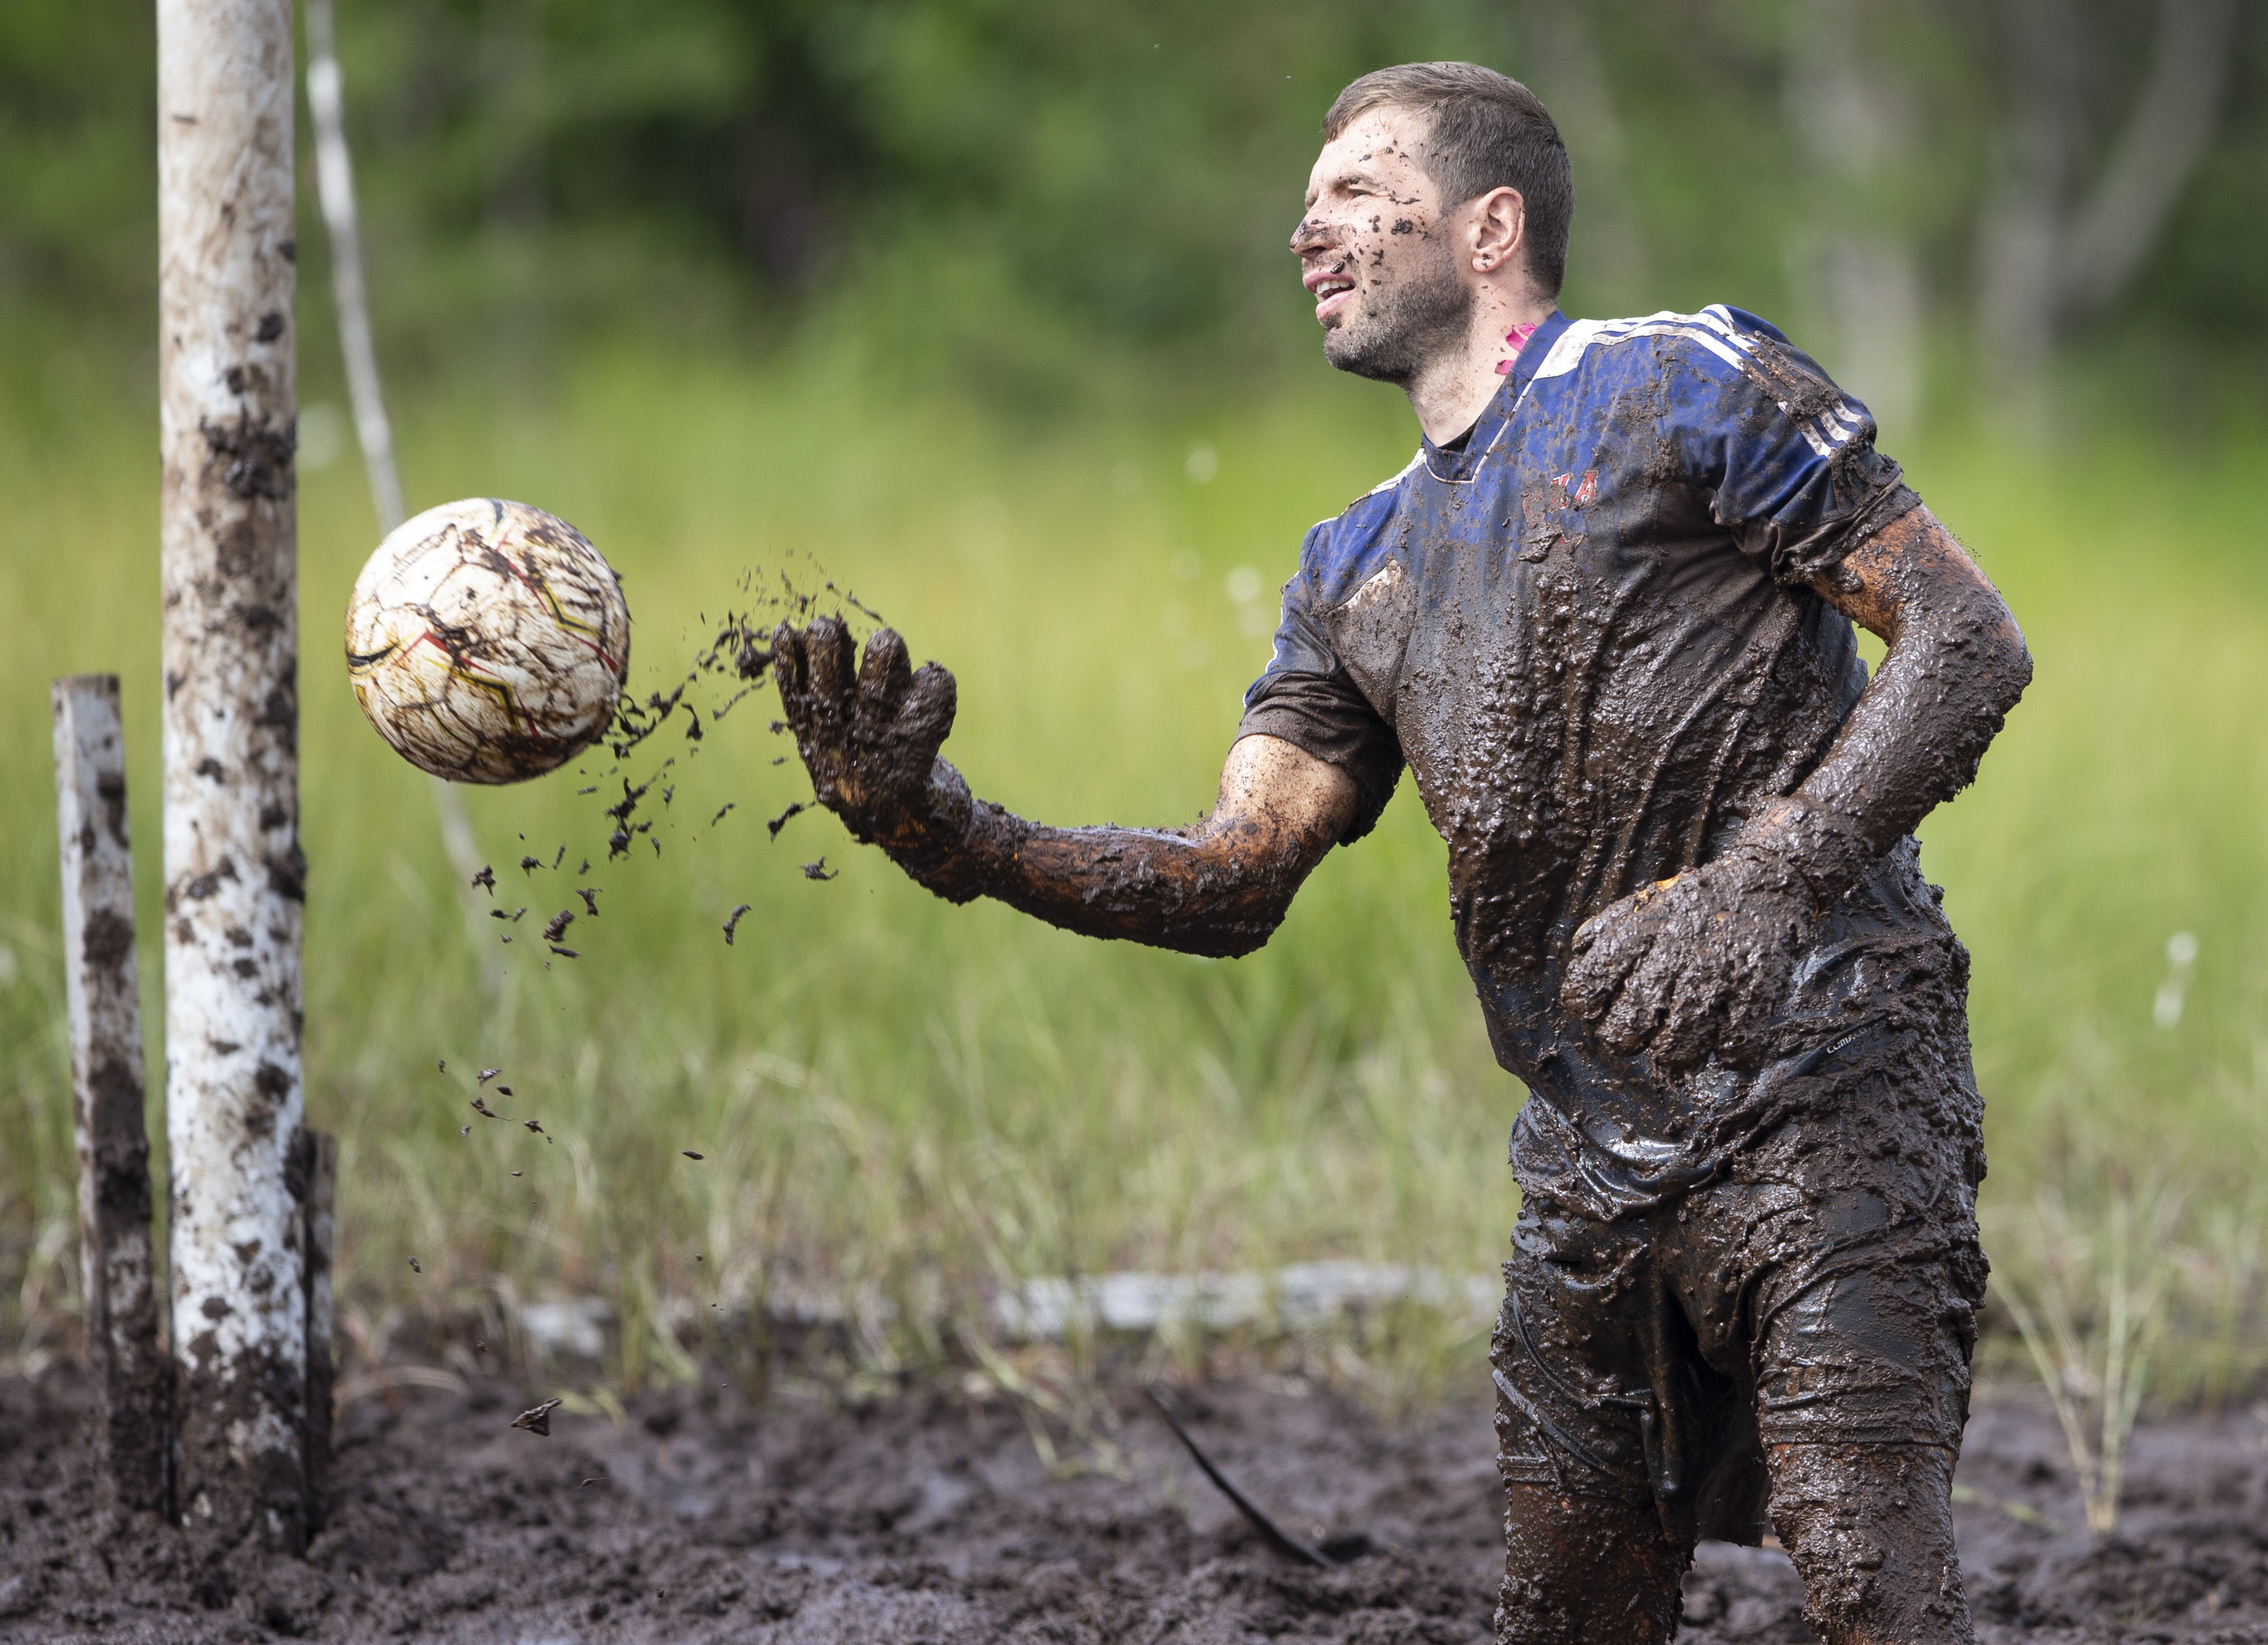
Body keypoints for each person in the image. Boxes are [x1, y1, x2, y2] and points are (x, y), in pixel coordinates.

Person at [772, 60, 2030, 1645]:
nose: (1310, 231)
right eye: (1304, 207)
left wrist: (1768, 877)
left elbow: (1966, 639)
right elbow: (1233, 876)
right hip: (1586, 1151)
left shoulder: (1683, 382)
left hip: (1828, 1074)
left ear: (1488, 224)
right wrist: (945, 830)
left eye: (1357, 194)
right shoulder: (1351, 562)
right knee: (1565, 1614)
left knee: (1865, 1577)